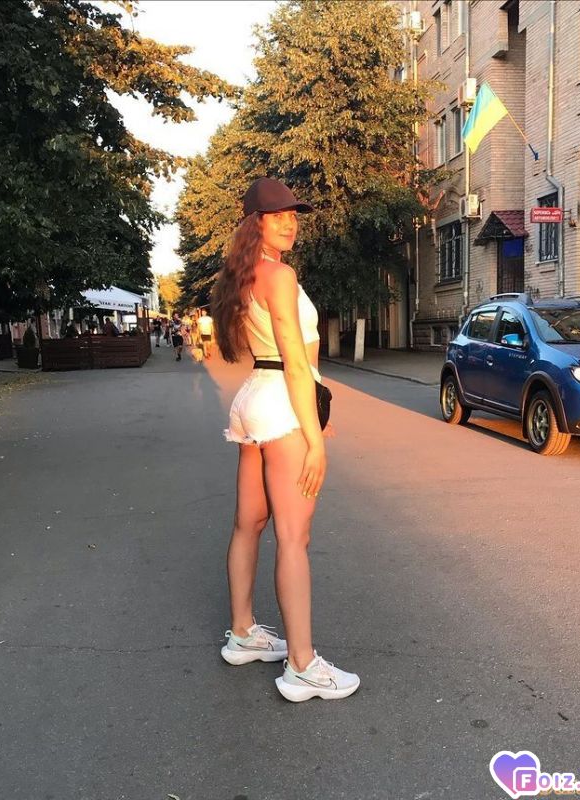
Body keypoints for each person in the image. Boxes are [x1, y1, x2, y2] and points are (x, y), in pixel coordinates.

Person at [212, 176, 359, 702]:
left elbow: (289, 360)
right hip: (280, 400)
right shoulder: (278, 274)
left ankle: (243, 634)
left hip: (256, 396)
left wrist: (316, 413)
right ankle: (302, 666)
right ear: (256, 222)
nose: (290, 222)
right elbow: (297, 362)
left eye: (294, 215)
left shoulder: (241, 274)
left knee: (248, 523)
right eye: (278, 215)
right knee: (294, 537)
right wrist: (313, 438)